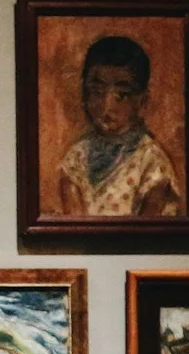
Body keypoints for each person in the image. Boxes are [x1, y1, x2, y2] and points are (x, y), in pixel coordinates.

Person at [54, 34, 181, 217]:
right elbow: (75, 228)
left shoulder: (152, 162)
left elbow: (148, 236)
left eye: (122, 95)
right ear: (84, 94)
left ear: (142, 101)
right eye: (97, 92)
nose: (107, 106)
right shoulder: (76, 158)